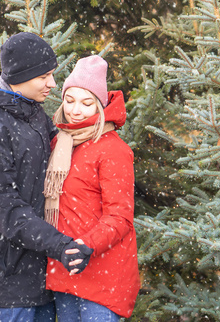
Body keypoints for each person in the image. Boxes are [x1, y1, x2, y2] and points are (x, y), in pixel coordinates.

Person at [0, 32, 93, 322]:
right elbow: (4, 208)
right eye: (44, 76)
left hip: (44, 271)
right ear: (21, 76)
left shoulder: (32, 113)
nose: (52, 84)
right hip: (11, 277)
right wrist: (60, 244)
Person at [44, 55, 140, 321]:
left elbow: (120, 216)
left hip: (102, 273)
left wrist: (87, 245)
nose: (75, 110)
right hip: (65, 269)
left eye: (87, 103)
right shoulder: (60, 144)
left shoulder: (113, 150)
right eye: (69, 100)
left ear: (99, 105)